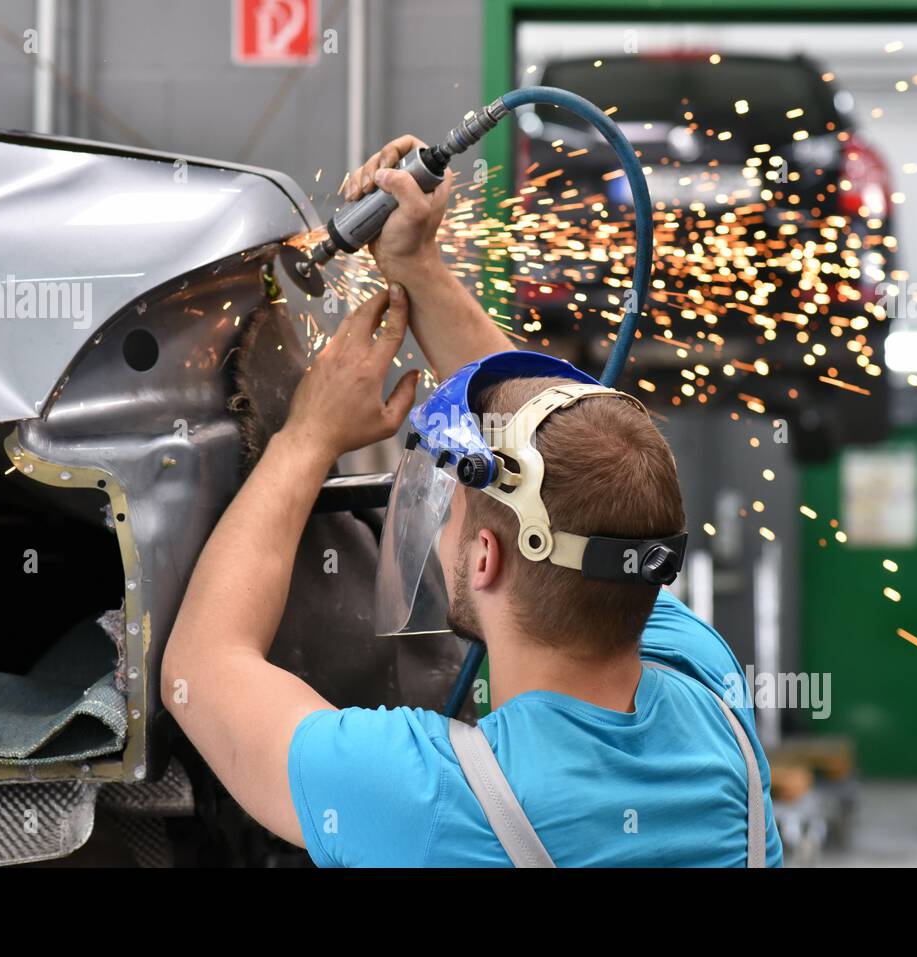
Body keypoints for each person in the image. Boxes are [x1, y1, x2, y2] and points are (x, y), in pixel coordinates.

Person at [162, 136, 783, 867]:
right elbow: (554, 438)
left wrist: (308, 434)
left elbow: (198, 671)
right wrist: (418, 267)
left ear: (485, 556)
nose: (444, 516)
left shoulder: (433, 799)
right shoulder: (711, 695)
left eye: (455, 504)